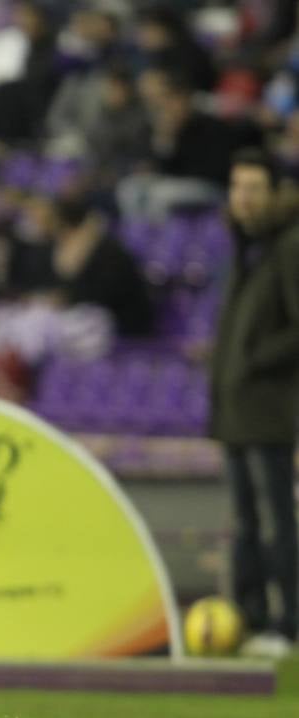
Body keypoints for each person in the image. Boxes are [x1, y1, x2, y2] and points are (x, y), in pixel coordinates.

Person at [208, 147, 299, 656]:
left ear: (275, 194)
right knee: (245, 523)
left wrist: (255, 359)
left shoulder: (287, 247)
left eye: (253, 188)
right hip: (235, 408)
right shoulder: (245, 247)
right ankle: (251, 618)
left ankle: (287, 624)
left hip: (267, 408)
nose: (243, 198)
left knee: (275, 521)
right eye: (237, 186)